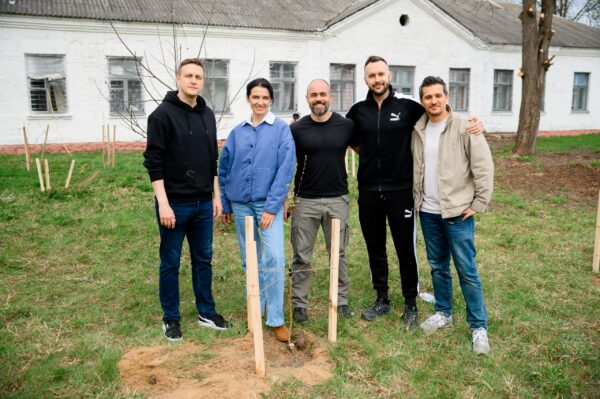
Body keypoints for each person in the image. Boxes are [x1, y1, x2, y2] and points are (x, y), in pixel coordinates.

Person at [347, 56, 483, 329]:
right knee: (375, 248)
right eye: (372, 75)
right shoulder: (357, 111)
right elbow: (354, 143)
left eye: (381, 74)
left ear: (389, 75)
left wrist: (474, 123)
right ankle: (382, 298)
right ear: (365, 79)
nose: (377, 79)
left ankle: (410, 303)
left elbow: (439, 115)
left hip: (401, 192)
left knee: (404, 249)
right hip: (369, 192)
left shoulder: (408, 108)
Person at [143, 58, 229, 342]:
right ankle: (170, 318)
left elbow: (211, 159)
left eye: (199, 76)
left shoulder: (207, 115)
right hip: (174, 204)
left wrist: (216, 197)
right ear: (178, 78)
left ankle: (206, 311)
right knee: (170, 261)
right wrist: (164, 203)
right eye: (189, 75)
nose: (194, 80)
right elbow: (153, 162)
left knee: (203, 258)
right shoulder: (161, 115)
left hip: (204, 203)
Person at [412, 76, 493, 355]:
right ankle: (443, 312)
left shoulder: (464, 126)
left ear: (446, 96)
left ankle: (478, 326)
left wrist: (479, 202)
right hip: (428, 210)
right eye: (427, 97)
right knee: (437, 266)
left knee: (467, 270)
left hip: (458, 212)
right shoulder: (418, 128)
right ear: (422, 100)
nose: (433, 101)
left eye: (437, 95)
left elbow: (483, 165)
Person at [219, 78, 295, 342]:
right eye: (255, 97)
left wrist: (272, 207)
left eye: (265, 97)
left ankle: (275, 318)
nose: (260, 102)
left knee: (273, 258)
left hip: (267, 206)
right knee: (249, 259)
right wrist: (227, 204)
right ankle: (256, 307)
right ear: (248, 99)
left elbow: (285, 169)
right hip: (241, 205)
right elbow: (224, 168)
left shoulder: (281, 129)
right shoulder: (237, 132)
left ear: (271, 100)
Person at [289, 79, 354, 323]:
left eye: (323, 94)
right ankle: (299, 305)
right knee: (301, 255)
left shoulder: (346, 126)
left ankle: (341, 300)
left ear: (331, 97)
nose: (319, 99)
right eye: (314, 94)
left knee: (338, 254)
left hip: (337, 198)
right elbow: (285, 163)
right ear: (307, 98)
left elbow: (367, 148)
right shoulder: (296, 129)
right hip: (305, 200)